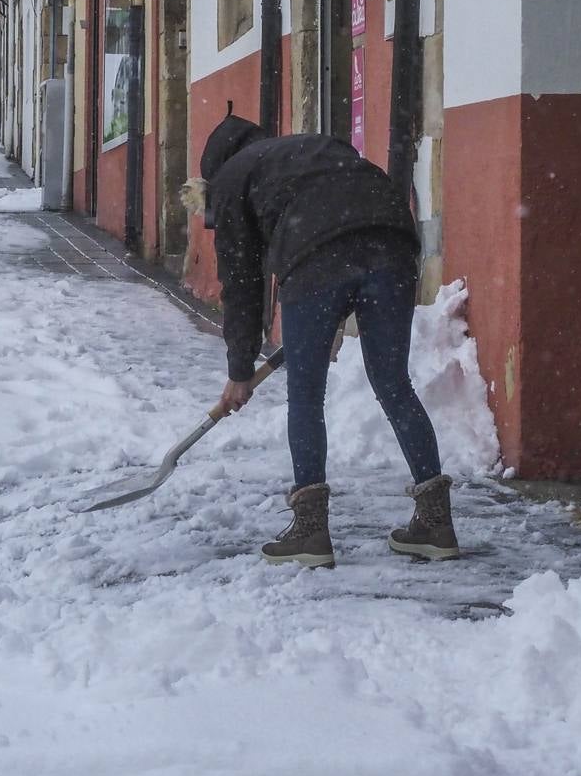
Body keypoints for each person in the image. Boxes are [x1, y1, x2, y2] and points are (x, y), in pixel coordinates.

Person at [185, 114, 459, 569]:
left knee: (306, 397)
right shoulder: (311, 149)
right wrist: (334, 308)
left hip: (315, 262)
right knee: (393, 384)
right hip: (392, 243)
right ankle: (436, 521)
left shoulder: (231, 179)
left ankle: (310, 533)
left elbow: (242, 283)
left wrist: (238, 372)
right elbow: (348, 217)